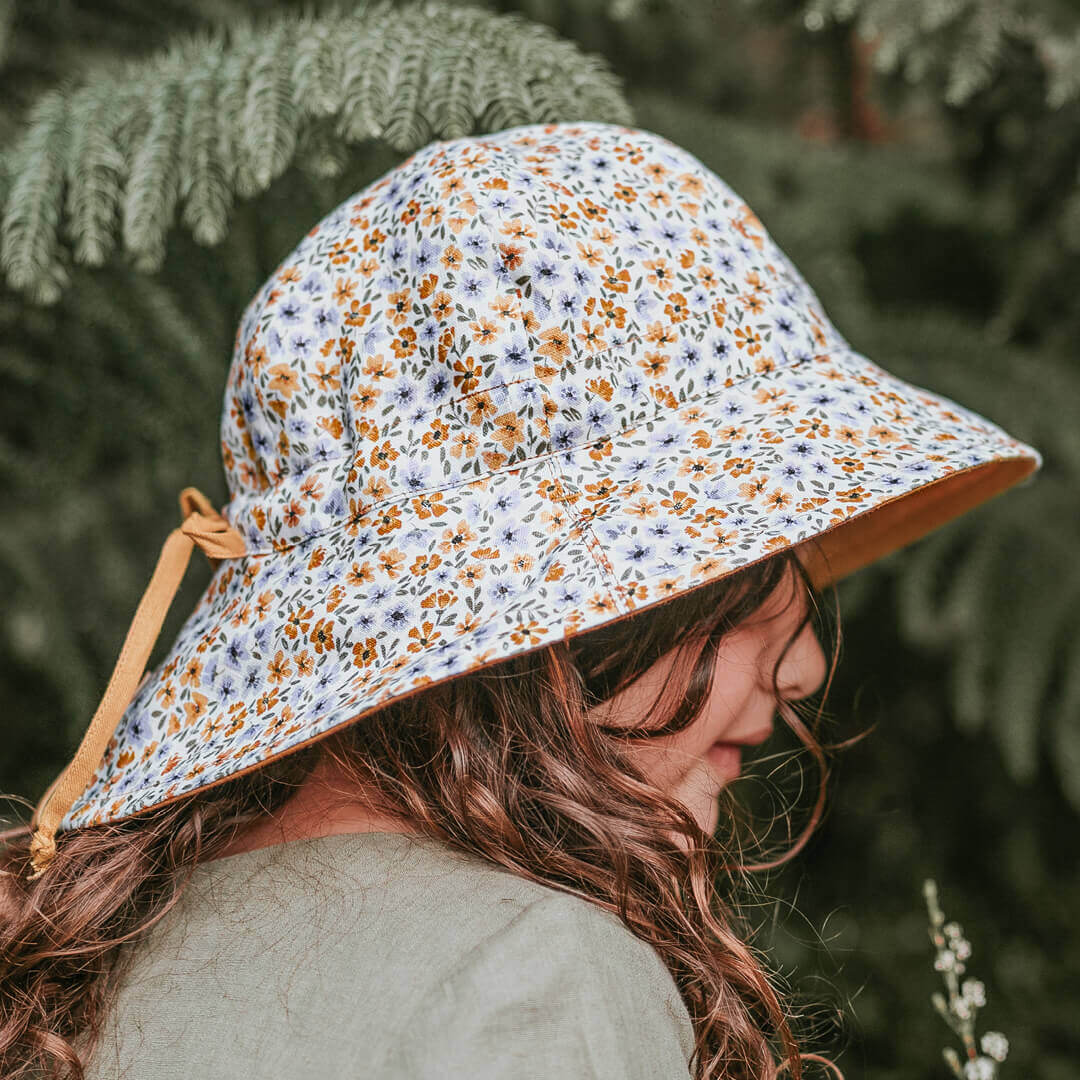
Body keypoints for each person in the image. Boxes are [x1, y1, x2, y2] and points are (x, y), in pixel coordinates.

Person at [0, 121, 1042, 1080]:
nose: (806, 661)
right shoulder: (533, 977)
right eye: (748, 576)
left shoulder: (96, 951)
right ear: (567, 611)